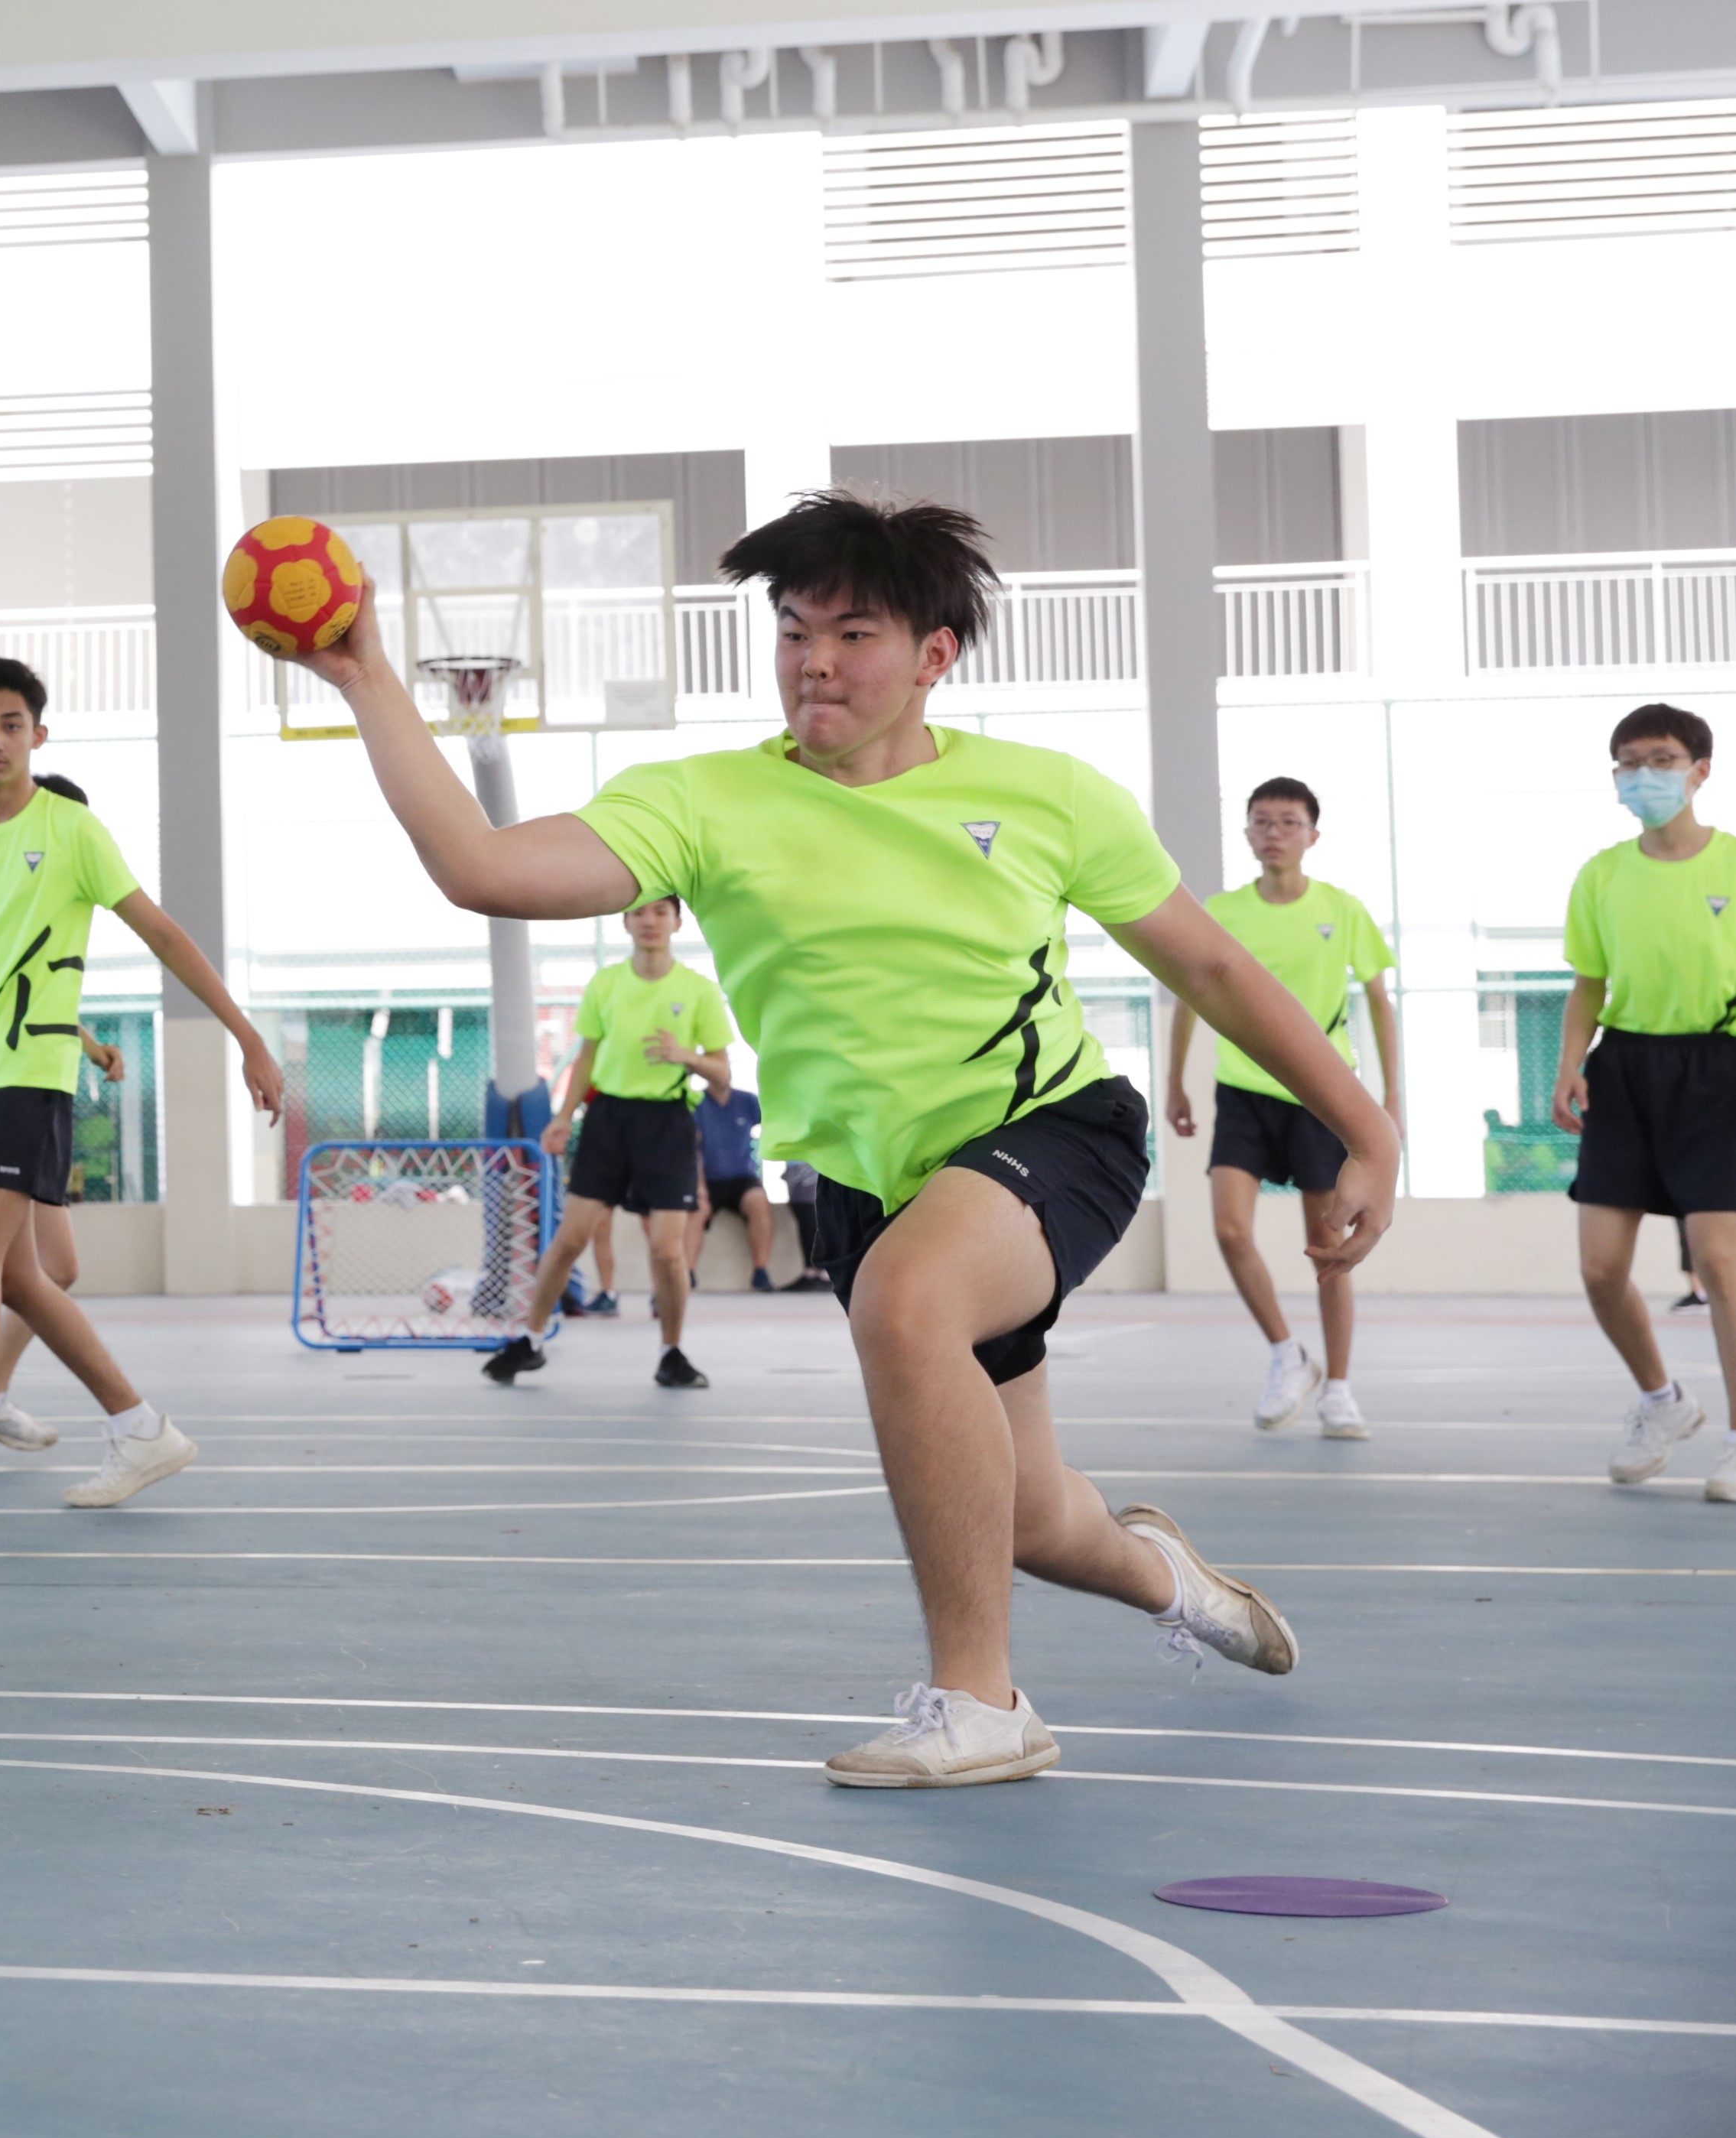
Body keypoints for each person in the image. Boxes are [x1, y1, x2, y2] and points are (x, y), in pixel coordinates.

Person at [288, 489, 1390, 1787]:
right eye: (794, 629)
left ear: (933, 653)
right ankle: (1167, 1576)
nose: (814, 657)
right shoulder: (702, 802)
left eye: (852, 631)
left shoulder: (1045, 796)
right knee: (1029, 1515)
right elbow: (484, 866)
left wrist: (1365, 1124)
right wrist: (364, 671)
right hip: (871, 1180)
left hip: (1051, 1132)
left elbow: (1209, 962)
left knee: (907, 1302)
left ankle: (982, 1702)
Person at [0, 665, 282, 1525]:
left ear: (39, 733)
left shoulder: (71, 829)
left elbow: (164, 932)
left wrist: (247, 1034)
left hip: (29, 1076)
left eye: (10, 722)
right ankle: (141, 1426)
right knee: (24, 1279)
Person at [1157, 777, 1403, 1440]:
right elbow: (1191, 993)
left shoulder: (1341, 909)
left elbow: (1380, 1001)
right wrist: (1175, 1083)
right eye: (1261, 821)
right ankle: (1286, 1355)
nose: (1274, 832)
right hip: (1243, 1090)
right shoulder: (1222, 910)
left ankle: (1341, 1390)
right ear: (1246, 833)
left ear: (1312, 836)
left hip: (1320, 1095)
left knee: (1327, 1246)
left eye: (1289, 822)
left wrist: (1390, 1099)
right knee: (1232, 1230)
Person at [1557, 704, 1736, 1493]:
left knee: (1721, 1263)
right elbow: (1588, 982)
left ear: (1701, 769)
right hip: (1625, 1066)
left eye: (1661, 759)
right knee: (1600, 1268)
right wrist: (1569, 1064)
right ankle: (1662, 1399)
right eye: (1629, 762)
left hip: (1720, 1065)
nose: (1644, 775)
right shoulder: (1601, 873)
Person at [500, 896, 733, 1389]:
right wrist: (564, 1116)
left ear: (676, 921)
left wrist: (684, 1055)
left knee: (667, 1252)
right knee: (569, 1240)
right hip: (608, 1119)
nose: (649, 921)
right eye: (639, 913)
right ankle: (530, 1342)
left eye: (660, 913)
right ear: (626, 922)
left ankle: (672, 1353)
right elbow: (586, 1056)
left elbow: (722, 1074)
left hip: (667, 1122)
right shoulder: (606, 984)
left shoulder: (699, 990)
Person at [707, 1080, 794, 1289]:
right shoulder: (697, 1103)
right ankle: (686, 1275)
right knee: (694, 1210)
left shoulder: (746, 1101)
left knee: (758, 1202)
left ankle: (761, 1272)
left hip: (743, 1178)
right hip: (706, 1178)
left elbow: (776, 1121)